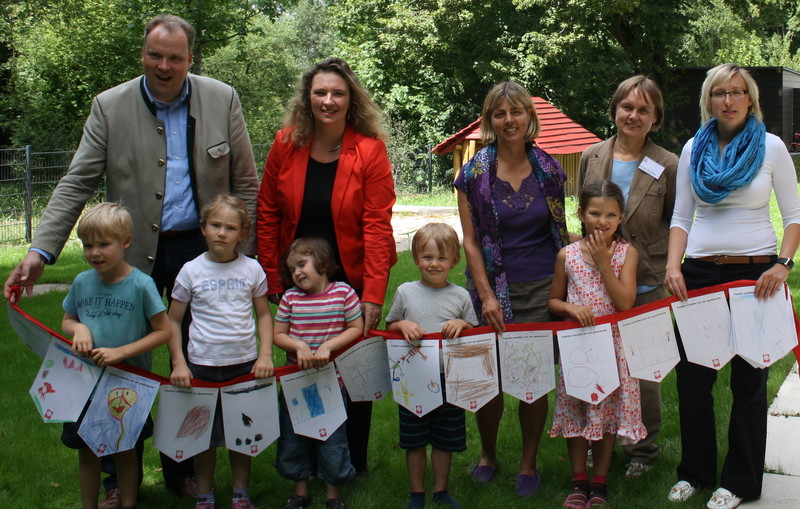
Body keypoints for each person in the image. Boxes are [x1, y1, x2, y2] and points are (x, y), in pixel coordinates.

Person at [3, 14, 259, 503]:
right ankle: (118, 476)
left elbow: (246, 182)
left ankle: (181, 466)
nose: (164, 66)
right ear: (143, 54)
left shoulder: (222, 98)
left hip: (202, 252)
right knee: (124, 363)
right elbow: (77, 180)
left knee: (193, 361)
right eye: (154, 56)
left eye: (175, 58)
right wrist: (41, 250)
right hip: (131, 251)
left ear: (190, 59)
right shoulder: (110, 106)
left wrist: (242, 256)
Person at [664, 64, 800, 509]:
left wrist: (783, 264)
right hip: (699, 272)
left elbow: (794, 216)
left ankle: (739, 480)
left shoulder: (772, 147)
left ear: (750, 98)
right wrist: (673, 266)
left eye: (736, 92)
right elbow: (682, 216)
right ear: (709, 99)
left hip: (754, 275)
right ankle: (695, 473)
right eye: (719, 92)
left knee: (749, 380)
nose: (728, 100)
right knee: (693, 379)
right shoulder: (692, 149)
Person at [257, 57, 395, 475]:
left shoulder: (369, 151)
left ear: (351, 99)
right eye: (320, 92)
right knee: (303, 371)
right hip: (296, 282)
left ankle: (351, 465)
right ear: (308, 97)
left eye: (338, 93)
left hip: (349, 283)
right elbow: (267, 214)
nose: (328, 100)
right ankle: (306, 465)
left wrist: (372, 294)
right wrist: (270, 279)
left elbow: (376, 225)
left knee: (354, 377)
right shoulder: (285, 144)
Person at [454, 81, 569, 497]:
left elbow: (560, 230)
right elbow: (469, 240)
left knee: (532, 378)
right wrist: (485, 295)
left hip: (541, 288)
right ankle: (487, 453)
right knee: (488, 380)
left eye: (516, 112)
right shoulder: (472, 175)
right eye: (500, 114)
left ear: (528, 116)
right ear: (490, 121)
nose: (509, 120)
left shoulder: (550, 170)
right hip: (490, 288)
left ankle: (528, 462)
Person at [577, 75, 678, 478]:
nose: (633, 115)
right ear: (615, 109)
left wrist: (671, 266)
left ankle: (642, 451)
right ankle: (591, 440)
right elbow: (583, 211)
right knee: (594, 365)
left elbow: (676, 222)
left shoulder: (668, 164)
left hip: (648, 281)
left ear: (655, 118)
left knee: (644, 372)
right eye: (627, 107)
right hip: (593, 283)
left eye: (643, 109)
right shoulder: (591, 156)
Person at [60, 203, 171, 509]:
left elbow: (163, 331)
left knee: (124, 451)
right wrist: (78, 328)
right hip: (85, 384)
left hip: (128, 385)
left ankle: (128, 503)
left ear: (125, 242)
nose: (94, 252)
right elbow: (67, 319)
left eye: (103, 244)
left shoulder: (141, 285)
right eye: (88, 245)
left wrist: (121, 352)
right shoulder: (82, 282)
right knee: (87, 452)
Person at [167, 194, 274, 509]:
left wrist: (265, 355)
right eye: (215, 225)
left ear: (243, 234)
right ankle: (205, 495)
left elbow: (264, 315)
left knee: (244, 434)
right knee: (203, 437)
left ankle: (241, 494)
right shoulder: (190, 271)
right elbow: (172, 321)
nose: (221, 233)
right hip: (200, 367)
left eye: (230, 227)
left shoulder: (252, 269)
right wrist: (179, 363)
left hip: (243, 365)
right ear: (203, 228)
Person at [548, 179, 644, 508]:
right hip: (578, 346)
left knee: (606, 415)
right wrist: (570, 308)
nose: (602, 221)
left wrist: (605, 263)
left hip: (613, 349)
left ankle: (600, 483)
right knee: (577, 411)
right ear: (581, 214)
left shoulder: (626, 254)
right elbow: (553, 302)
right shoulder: (568, 255)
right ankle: (578, 481)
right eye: (594, 213)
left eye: (611, 215)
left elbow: (626, 303)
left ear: (621, 218)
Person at [385, 223, 479, 509]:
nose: (434, 264)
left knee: (444, 439)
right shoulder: (405, 292)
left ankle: (440, 491)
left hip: (450, 379)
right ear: (415, 258)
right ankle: (416, 492)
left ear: (454, 260)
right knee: (413, 440)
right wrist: (403, 324)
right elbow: (390, 326)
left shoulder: (461, 295)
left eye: (441, 258)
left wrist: (461, 323)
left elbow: (474, 331)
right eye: (427, 257)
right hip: (413, 379)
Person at [273, 237, 364, 509]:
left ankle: (332, 495)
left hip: (331, 384)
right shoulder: (290, 298)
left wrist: (328, 346)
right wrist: (298, 345)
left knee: (332, 440)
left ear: (323, 262)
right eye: (292, 269)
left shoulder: (343, 293)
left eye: (302, 264)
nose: (297, 272)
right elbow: (278, 335)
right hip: (295, 384)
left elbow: (356, 327)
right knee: (293, 438)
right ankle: (300, 492)